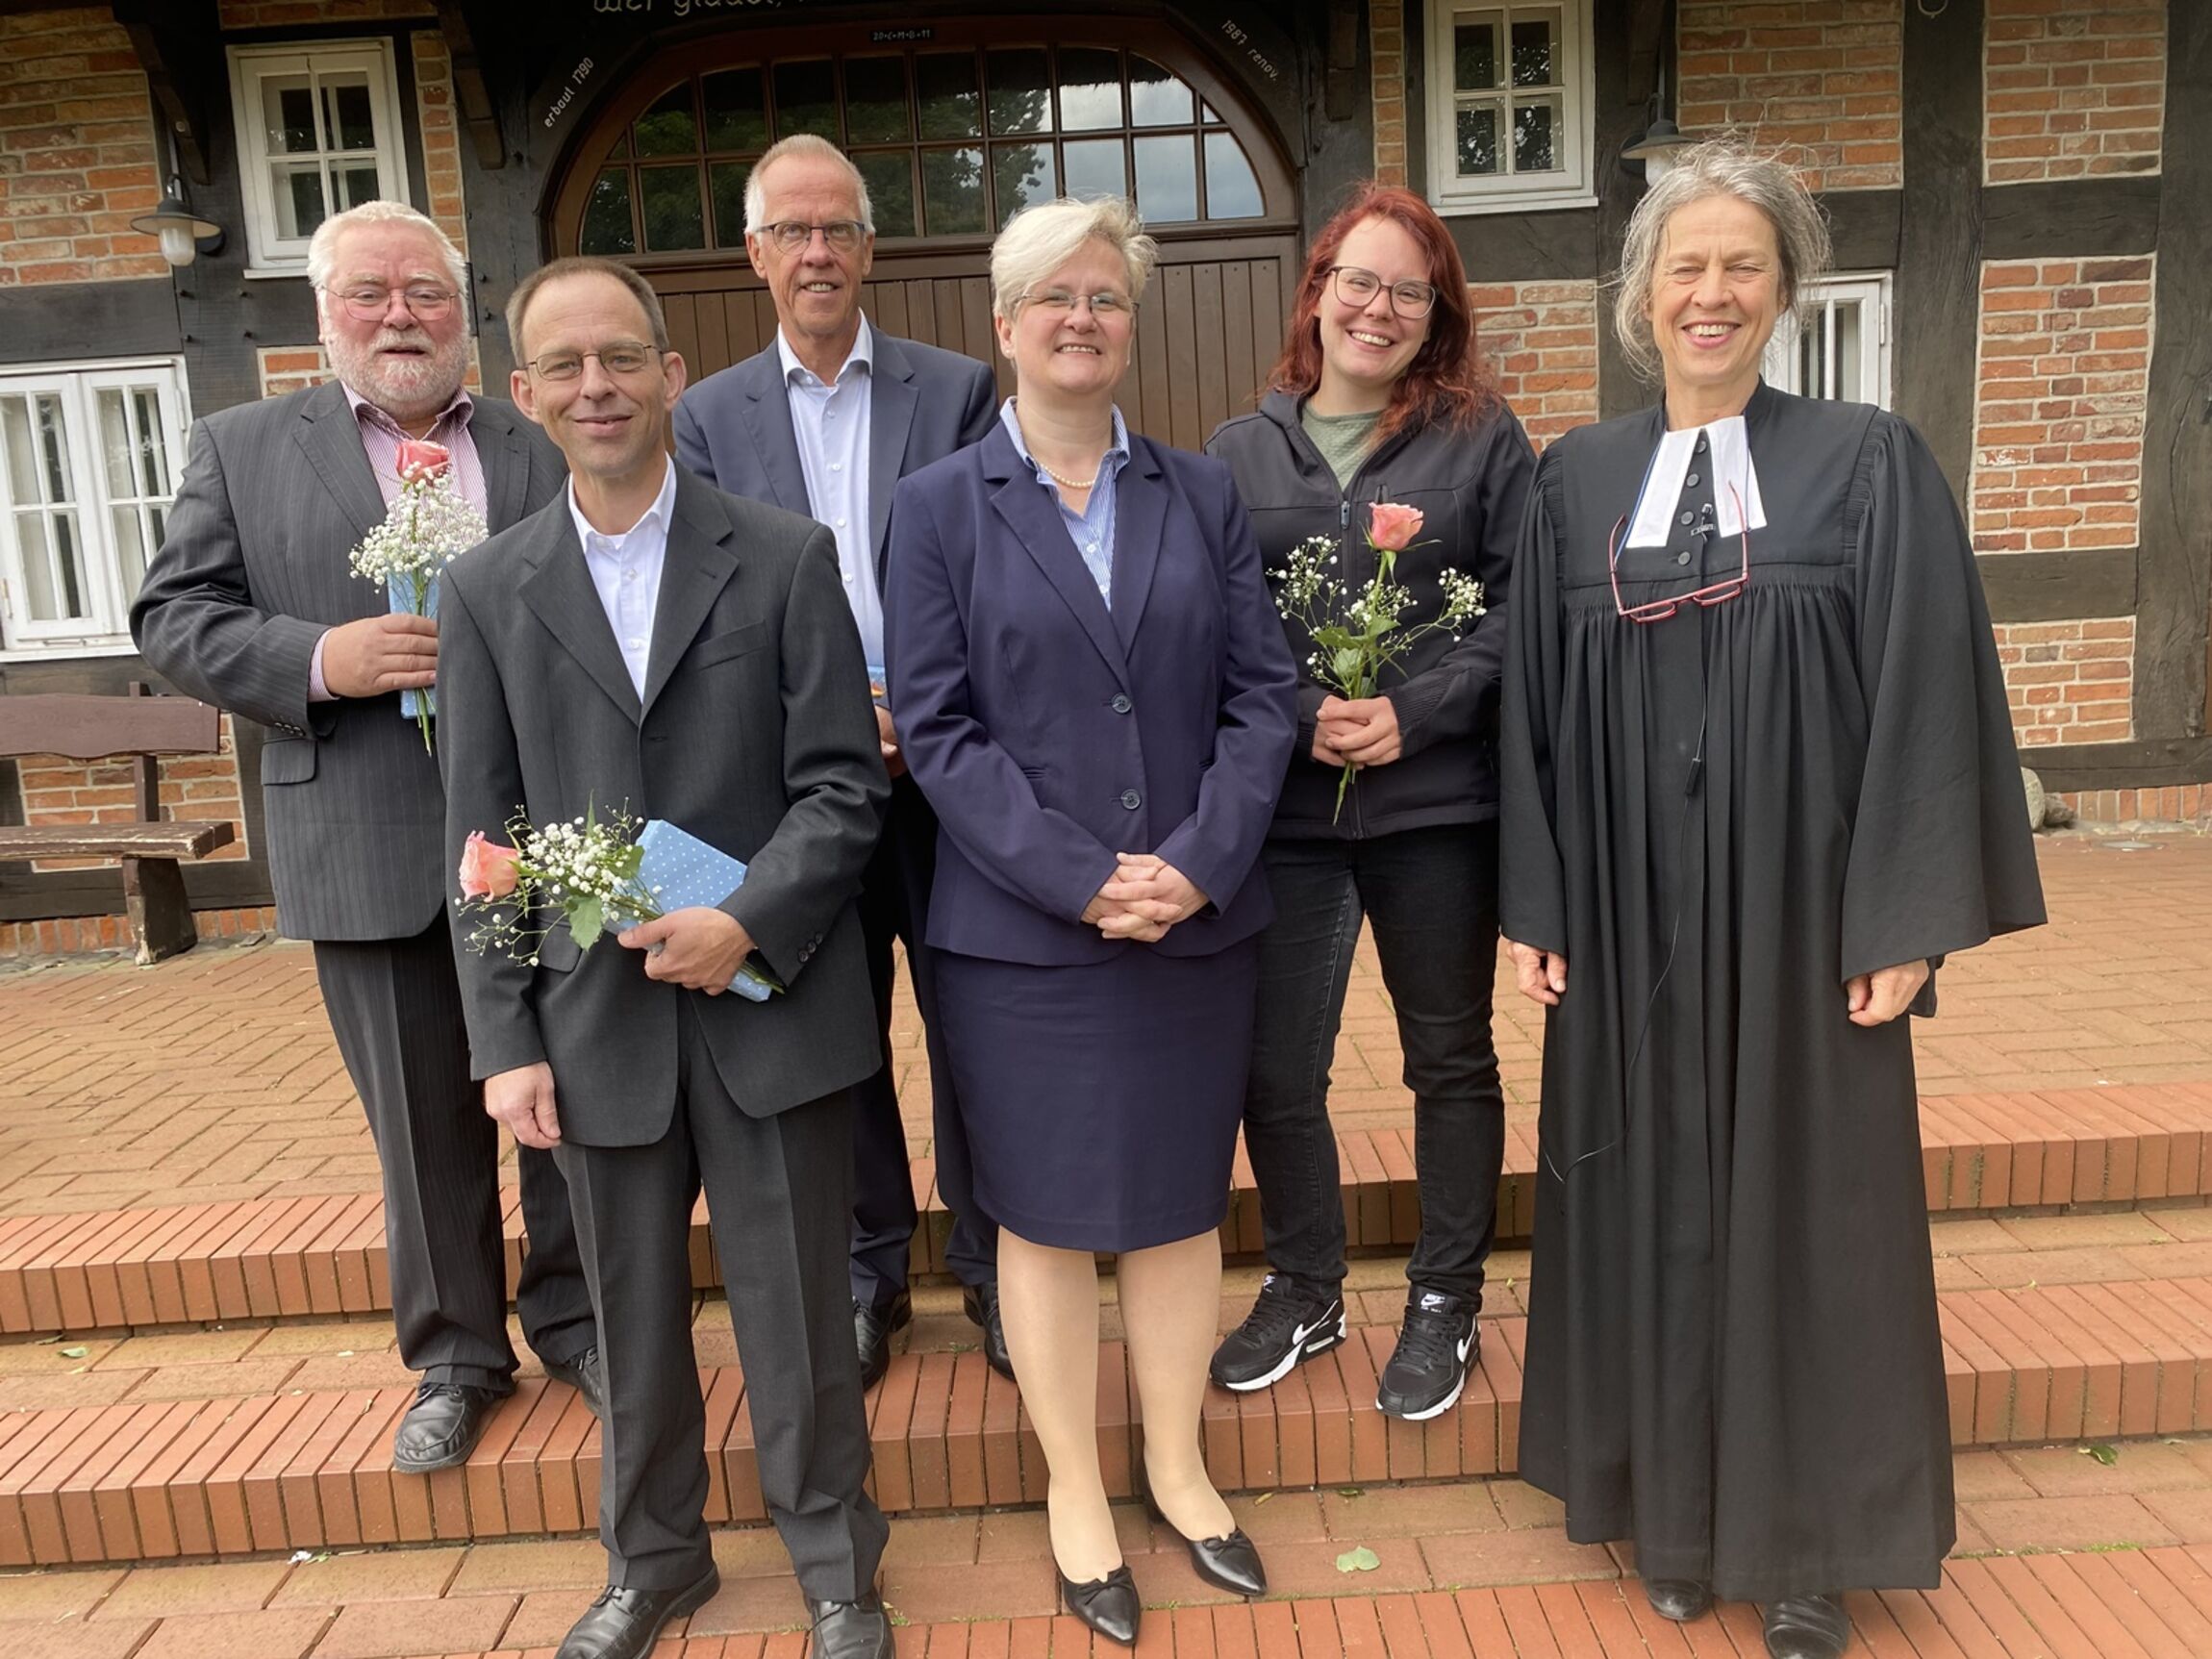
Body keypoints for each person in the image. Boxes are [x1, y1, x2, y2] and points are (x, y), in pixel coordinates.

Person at [1496, 139, 2046, 1659]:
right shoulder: (1576, 484)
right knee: (1649, 1202)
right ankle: (1674, 1520)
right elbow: (1531, 709)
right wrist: (1537, 903)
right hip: (1625, 925)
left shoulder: (1867, 462)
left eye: (1744, 264)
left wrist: (1903, 922)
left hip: (1805, 923)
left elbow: (1928, 692)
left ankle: (1809, 1544)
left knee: (1814, 1214)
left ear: (1786, 289)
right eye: (1686, 266)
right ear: (1642, 296)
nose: (1713, 292)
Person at [439, 256, 894, 1659]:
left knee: (799, 1309)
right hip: (593, 1026)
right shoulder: (485, 589)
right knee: (627, 1316)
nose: (597, 387)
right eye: (565, 366)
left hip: (772, 1004)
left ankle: (835, 1565)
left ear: (670, 374)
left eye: (622, 358)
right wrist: (504, 1042)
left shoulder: (785, 554)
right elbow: (481, 839)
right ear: (525, 393)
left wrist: (746, 917)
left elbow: (844, 787)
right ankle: (654, 1561)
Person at [884, 196, 1297, 1648]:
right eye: (1055, 297)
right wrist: (1078, 874)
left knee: (1181, 1204)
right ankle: (1075, 1486)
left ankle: (1176, 1465)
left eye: (1106, 297)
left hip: (1194, 921)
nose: (1082, 318)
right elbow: (937, 730)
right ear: (1004, 324)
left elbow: (1263, 698)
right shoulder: (938, 507)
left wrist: (1195, 861)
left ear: (1131, 324)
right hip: (1024, 937)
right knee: (1046, 1220)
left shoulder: (1202, 493)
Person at [131, 199, 599, 1474]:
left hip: (546, 842)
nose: (401, 316)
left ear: (463, 308)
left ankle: (578, 1319)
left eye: (426, 292)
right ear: (323, 313)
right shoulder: (241, 447)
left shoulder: (537, 438)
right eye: (370, 294)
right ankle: (457, 1356)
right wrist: (316, 658)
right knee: (420, 1119)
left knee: (567, 1095)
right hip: (364, 836)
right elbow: (172, 617)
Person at [671, 133, 1005, 1389]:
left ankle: (993, 1265)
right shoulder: (706, 419)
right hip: (805, 789)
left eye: (837, 229)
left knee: (975, 1023)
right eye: (792, 232)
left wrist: (918, 708)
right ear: (755, 255)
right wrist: (832, 725)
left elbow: (988, 568)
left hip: (944, 775)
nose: (817, 252)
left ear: (868, 249)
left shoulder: (956, 391)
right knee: (839, 1037)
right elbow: (711, 607)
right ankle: (871, 1274)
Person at [1205, 183, 1532, 1420]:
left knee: (1446, 1055)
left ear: (1434, 314)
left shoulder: (1481, 441)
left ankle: (1445, 1294)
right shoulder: (1235, 453)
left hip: (1435, 809)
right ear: (1318, 292)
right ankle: (1305, 1284)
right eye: (1359, 281)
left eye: (1408, 291)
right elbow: (1211, 627)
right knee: (1272, 1065)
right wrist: (1300, 711)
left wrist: (1418, 709)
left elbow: (1520, 610)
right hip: (1288, 815)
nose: (1378, 309)